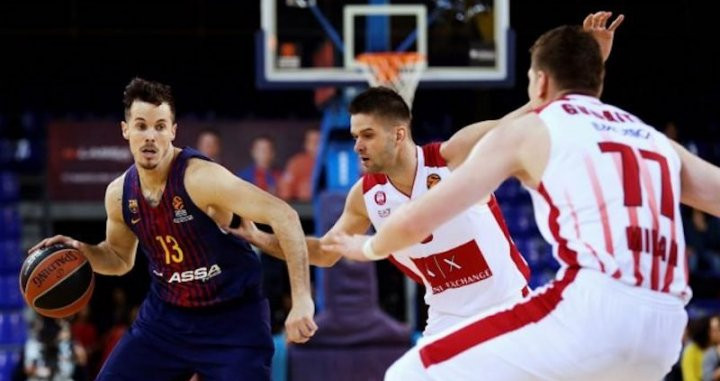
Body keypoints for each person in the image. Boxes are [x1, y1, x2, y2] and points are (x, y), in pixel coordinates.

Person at [323, 15, 718, 380]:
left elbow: (414, 220)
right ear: (596, 79)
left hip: (594, 309)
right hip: (666, 328)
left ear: (541, 83)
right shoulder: (652, 138)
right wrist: (586, 60)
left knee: (407, 375)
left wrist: (369, 247)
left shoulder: (534, 129)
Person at [233, 12, 621, 339]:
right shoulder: (365, 197)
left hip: (510, 309)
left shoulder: (455, 154)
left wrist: (592, 63)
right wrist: (258, 237)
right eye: (355, 137)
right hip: (446, 323)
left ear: (398, 134)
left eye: (367, 135)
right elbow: (324, 252)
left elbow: (535, 111)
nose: (358, 146)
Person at [29, 78, 316, 381]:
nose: (150, 136)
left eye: (160, 126)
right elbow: (118, 258)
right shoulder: (119, 194)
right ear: (125, 130)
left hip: (232, 320)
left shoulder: (200, 178)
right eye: (141, 126)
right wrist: (81, 252)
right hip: (166, 320)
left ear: (173, 131)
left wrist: (302, 300)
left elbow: (284, 216)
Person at [278, 128, 320, 202]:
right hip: (302, 206)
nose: (315, 145)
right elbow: (286, 187)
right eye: (312, 141)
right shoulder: (297, 162)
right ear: (306, 144)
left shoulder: (332, 161)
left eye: (318, 141)